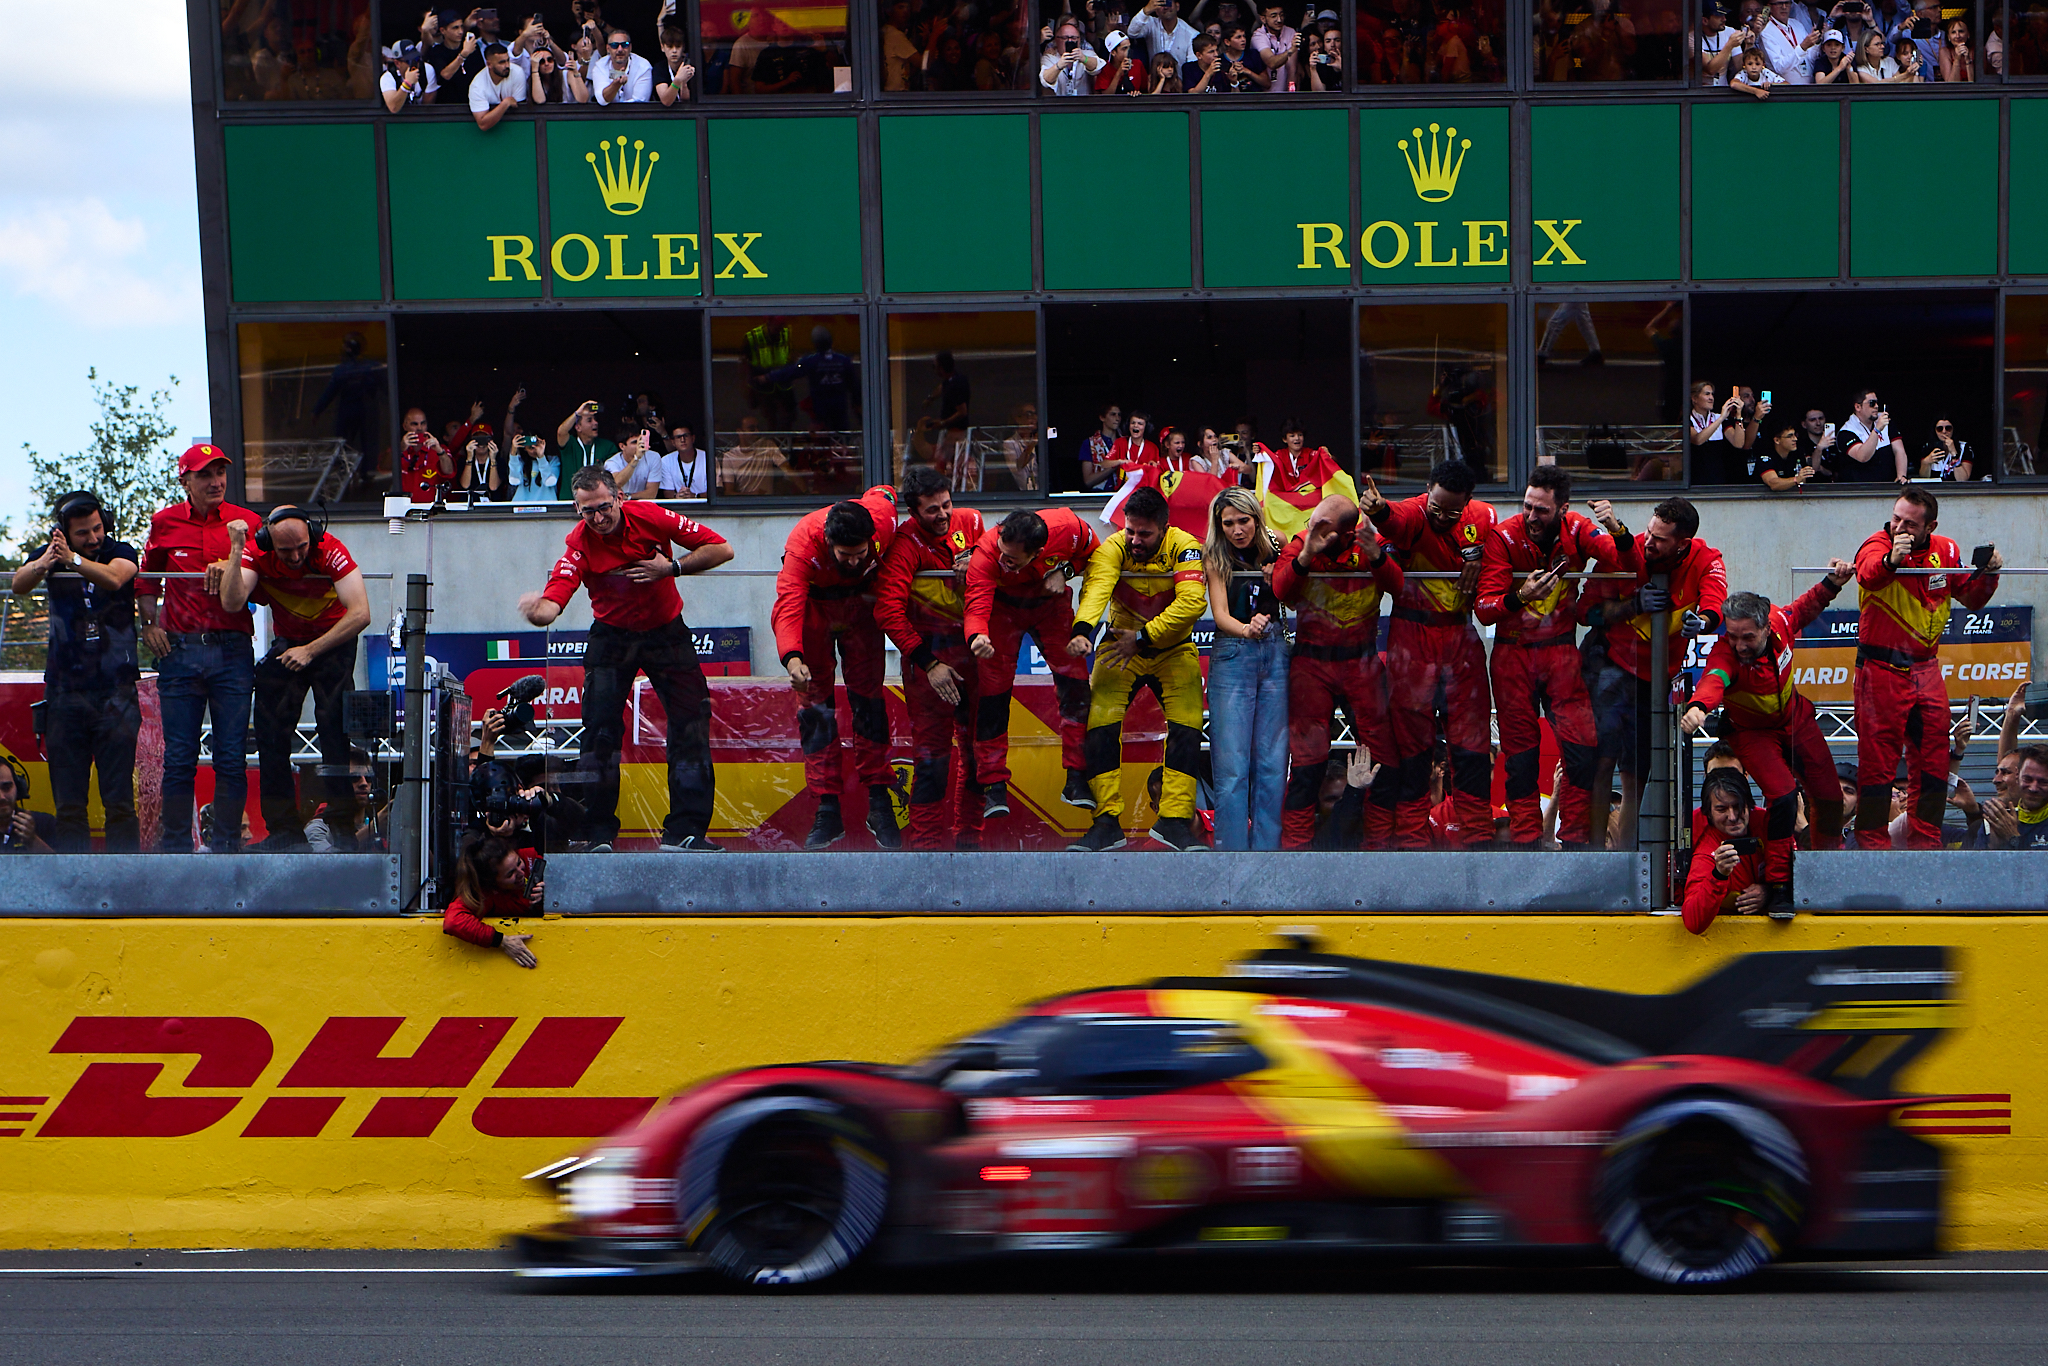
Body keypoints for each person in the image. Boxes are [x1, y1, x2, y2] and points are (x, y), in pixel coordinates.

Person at [519, 467, 733, 853]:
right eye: (588, 511)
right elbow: (555, 599)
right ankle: (598, 834)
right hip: (612, 638)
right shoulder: (579, 544)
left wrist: (671, 568)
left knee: (690, 725)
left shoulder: (651, 516)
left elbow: (722, 548)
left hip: (666, 632)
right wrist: (537, 611)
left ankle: (685, 832)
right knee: (599, 734)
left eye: (604, 507)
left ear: (619, 498)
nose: (598, 518)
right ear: (577, 509)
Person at [1475, 468, 1631, 849]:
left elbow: (1627, 562)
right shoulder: (1503, 536)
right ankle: (1527, 842)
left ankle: (1575, 843)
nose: (1531, 516)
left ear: (1563, 508)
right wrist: (1520, 597)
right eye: (1527, 506)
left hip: (1561, 653)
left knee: (1582, 751)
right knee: (1521, 759)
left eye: (1541, 510)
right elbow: (1484, 609)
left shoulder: (1578, 529)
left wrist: (1616, 527)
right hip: (1512, 655)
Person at [1681, 571, 1853, 911]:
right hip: (1752, 732)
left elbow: (1805, 607)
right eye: (1732, 636)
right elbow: (1714, 678)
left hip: (1795, 718)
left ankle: (1826, 867)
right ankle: (1780, 884)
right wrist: (1699, 707)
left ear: (1765, 628)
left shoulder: (1781, 622)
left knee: (1831, 797)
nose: (1739, 645)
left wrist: (1833, 582)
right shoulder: (1726, 654)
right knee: (1784, 797)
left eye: (1747, 637)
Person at [1853, 487, 2000, 848]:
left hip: (1926, 668)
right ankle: (1872, 847)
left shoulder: (1946, 549)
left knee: (1934, 764)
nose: (1899, 527)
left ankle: (1926, 844)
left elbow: (1971, 598)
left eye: (1909, 523)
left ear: (1930, 527)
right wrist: (1892, 559)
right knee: (1878, 765)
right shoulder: (1876, 544)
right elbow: (1868, 575)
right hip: (1881, 668)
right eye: (1896, 518)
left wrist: (1989, 573)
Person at [1361, 462, 1497, 848]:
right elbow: (1396, 521)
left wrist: (1479, 556)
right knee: (1414, 750)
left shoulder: (1484, 518)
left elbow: (1497, 547)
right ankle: (1411, 842)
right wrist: (1378, 511)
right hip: (1411, 640)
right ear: (1427, 490)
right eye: (1436, 507)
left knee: (1471, 749)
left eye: (1451, 512)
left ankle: (1478, 842)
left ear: (1467, 503)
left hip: (1460, 639)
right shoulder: (1412, 512)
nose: (1441, 516)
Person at [1577, 497, 1728, 846]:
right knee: (1601, 763)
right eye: (1648, 532)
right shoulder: (1621, 552)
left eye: (1659, 539)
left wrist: (1703, 622)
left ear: (1683, 543)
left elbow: (1715, 600)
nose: (1649, 542)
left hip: (1655, 680)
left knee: (1637, 774)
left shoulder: (1706, 559)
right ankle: (1596, 856)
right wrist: (1632, 606)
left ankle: (1630, 858)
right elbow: (1585, 613)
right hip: (1609, 663)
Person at [221, 507, 372, 852]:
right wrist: (235, 550)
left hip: (333, 639)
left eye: (302, 547)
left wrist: (311, 651)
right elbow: (231, 602)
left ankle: (342, 824)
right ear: (267, 541)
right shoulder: (256, 551)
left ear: (313, 536)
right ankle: (284, 829)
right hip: (289, 642)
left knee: (334, 727)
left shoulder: (330, 549)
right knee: (270, 730)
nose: (295, 556)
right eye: (285, 550)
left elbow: (361, 613)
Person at [1067, 487, 1209, 852]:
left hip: (1172, 649)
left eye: (1144, 533)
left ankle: (1174, 821)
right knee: (1100, 725)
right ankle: (1106, 822)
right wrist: (1082, 630)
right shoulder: (1113, 547)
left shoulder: (1185, 546)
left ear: (1164, 528)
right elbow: (1097, 589)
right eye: (1130, 530)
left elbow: (1193, 603)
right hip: (1119, 646)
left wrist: (1144, 638)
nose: (1134, 539)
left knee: (1188, 728)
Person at [139, 444, 261, 853]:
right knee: (178, 757)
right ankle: (175, 848)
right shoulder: (164, 521)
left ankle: (226, 847)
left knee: (231, 756)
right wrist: (148, 624)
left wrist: (232, 559)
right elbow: (147, 579)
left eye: (220, 472)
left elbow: (260, 577)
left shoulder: (246, 523)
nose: (216, 482)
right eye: (205, 474)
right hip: (180, 649)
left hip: (232, 648)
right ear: (185, 481)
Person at [10, 493, 141, 851]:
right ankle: (73, 877)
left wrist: (74, 559)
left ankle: (124, 875)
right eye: (83, 533)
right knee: (69, 804)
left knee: (119, 801)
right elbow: (19, 584)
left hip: (116, 689)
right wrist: (46, 563)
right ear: (63, 533)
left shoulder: (120, 550)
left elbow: (116, 578)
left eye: (98, 528)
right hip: (66, 690)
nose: (94, 537)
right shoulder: (52, 555)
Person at [773, 486, 902, 851]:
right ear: (828, 542)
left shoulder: (883, 519)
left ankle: (880, 800)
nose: (854, 561)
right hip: (815, 611)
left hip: (862, 608)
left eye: (861, 553)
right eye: (846, 555)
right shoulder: (803, 544)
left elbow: (884, 492)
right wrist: (792, 658)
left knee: (869, 702)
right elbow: (788, 604)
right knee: (815, 708)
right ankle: (827, 807)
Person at [1272, 495, 1403, 849]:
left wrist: (1376, 556)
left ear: (1346, 534)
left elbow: (1399, 587)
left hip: (1361, 662)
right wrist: (1305, 555)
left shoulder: (1370, 545)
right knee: (1307, 763)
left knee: (1383, 760)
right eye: (1312, 523)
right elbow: (1281, 591)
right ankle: (1296, 850)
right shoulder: (1301, 544)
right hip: (1312, 664)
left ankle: (1377, 848)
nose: (1313, 531)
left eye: (1322, 528)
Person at [874, 467, 986, 852]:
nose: (943, 515)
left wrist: (980, 558)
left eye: (947, 505)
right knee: (931, 760)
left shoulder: (972, 521)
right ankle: (926, 851)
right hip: (929, 661)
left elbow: (1002, 559)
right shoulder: (904, 544)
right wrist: (930, 664)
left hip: (974, 653)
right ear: (913, 512)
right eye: (933, 510)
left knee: (978, 753)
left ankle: (970, 843)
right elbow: (888, 612)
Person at [964, 508, 1100, 818]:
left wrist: (1066, 571)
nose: (1003, 560)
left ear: (1038, 553)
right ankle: (993, 784)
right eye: (1002, 552)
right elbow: (976, 603)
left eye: (1011, 559)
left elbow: (1097, 556)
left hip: (1050, 606)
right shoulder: (987, 552)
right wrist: (977, 636)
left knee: (1075, 684)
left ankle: (1077, 777)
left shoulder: (1070, 528)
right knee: (993, 693)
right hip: (1002, 609)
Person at [1203, 487, 1288, 851]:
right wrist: (1246, 630)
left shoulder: (1277, 542)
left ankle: (1268, 855)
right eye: (1228, 524)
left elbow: (1294, 593)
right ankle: (1232, 856)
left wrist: (1279, 576)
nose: (1237, 530)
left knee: (1272, 763)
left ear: (1256, 517)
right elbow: (1220, 615)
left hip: (1275, 648)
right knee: (1232, 766)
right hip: (1234, 649)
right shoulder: (1214, 554)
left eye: (1243, 521)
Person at [1683, 769, 1772, 934]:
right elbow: (1693, 922)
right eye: (1721, 809)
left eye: (1738, 806)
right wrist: (1719, 874)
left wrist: (1769, 892)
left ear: (1749, 804)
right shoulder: (1708, 852)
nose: (1732, 816)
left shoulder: (1767, 824)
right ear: (1708, 813)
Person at [441, 834, 541, 968]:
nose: (521, 873)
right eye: (510, 874)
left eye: (519, 862)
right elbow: (453, 921)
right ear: (492, 883)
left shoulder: (531, 857)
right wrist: (501, 941)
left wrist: (551, 893)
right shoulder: (485, 895)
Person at [1990, 747, 2048, 849]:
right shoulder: (2000, 821)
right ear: (2017, 775)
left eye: (2043, 782)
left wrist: (2013, 838)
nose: (2033, 788)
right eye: (2027, 779)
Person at [555, 400, 618, 485]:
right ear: (578, 427)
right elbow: (561, 432)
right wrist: (577, 413)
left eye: (595, 419)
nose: (595, 423)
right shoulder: (570, 444)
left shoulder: (608, 447)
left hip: (596, 493)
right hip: (570, 494)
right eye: (589, 420)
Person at [1754, 417, 1823, 492]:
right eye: (1790, 436)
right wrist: (1796, 479)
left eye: (1795, 435)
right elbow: (1773, 483)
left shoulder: (1797, 453)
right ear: (1777, 440)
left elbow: (1804, 480)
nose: (1795, 439)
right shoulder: (1765, 457)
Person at [469, 42, 527, 130]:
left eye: (508, 60)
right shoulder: (477, 85)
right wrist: (505, 103)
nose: (507, 65)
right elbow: (483, 125)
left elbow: (521, 111)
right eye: (501, 62)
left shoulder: (517, 72)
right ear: (489, 64)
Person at [0, 757, 53, 853]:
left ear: (19, 788)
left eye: (6, 788)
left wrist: (32, 840)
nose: (1, 797)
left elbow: (62, 862)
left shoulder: (45, 823)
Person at [1041, 16, 1104, 91]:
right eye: (1065, 38)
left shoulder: (1086, 53)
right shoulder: (1050, 56)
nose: (1070, 41)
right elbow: (1045, 80)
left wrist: (1084, 59)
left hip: (1082, 98)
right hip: (1059, 98)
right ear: (1056, 40)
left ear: (1079, 39)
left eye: (1074, 38)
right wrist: (1058, 66)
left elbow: (1098, 68)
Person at [593, 28, 653, 102]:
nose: (620, 49)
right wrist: (616, 85)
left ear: (630, 47)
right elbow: (602, 100)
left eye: (625, 45)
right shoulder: (600, 66)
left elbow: (640, 102)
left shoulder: (643, 66)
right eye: (614, 45)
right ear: (608, 48)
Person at [1130, 0, 1197, 65]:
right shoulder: (1151, 24)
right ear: (1156, 11)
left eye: (1168, 2)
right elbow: (1132, 33)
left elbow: (1191, 66)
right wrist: (1146, 11)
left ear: (1177, 6)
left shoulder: (1191, 34)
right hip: (1153, 72)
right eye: (1161, 4)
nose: (1165, 7)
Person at [1251, 3, 1299, 87]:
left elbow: (1292, 70)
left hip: (1285, 91)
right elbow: (1271, 63)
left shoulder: (1290, 32)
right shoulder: (1258, 36)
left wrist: (1291, 93)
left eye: (1281, 15)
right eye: (1274, 16)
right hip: (1264, 93)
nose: (1279, 20)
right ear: (1263, 19)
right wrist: (1290, 50)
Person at [1081, 403, 1125, 491]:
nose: (1117, 418)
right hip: (1099, 495)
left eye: (1119, 415)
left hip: (1122, 494)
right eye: (1113, 414)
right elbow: (1088, 481)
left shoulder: (1126, 443)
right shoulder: (1089, 443)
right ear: (1102, 417)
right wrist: (1113, 467)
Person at [655, 23, 695, 102]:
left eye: (678, 47)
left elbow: (686, 101)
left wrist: (684, 84)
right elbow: (666, 101)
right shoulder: (659, 68)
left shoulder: (691, 66)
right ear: (662, 47)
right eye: (670, 47)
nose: (674, 51)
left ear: (683, 47)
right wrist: (677, 80)